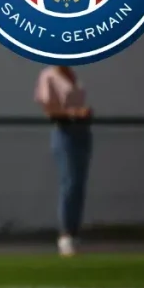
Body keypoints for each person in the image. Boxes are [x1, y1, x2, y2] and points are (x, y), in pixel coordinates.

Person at [34, 65, 93, 257]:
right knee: (69, 182)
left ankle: (75, 232)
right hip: (65, 131)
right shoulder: (49, 76)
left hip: (82, 131)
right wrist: (74, 113)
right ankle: (66, 234)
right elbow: (50, 111)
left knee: (79, 184)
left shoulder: (72, 74)